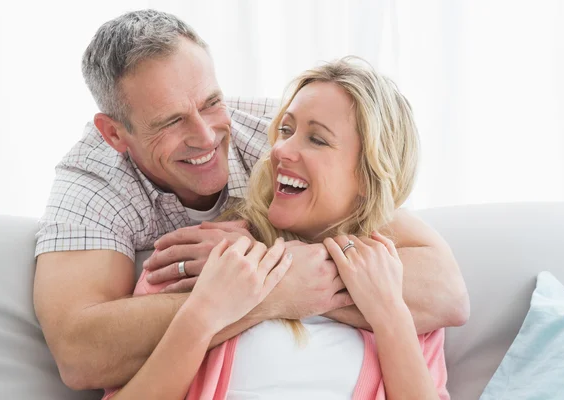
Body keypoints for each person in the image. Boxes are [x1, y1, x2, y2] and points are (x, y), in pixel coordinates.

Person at [33, 9, 468, 391]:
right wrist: (268, 293)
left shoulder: (277, 128)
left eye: (211, 102)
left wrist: (278, 264)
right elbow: (79, 354)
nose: (206, 136)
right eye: (171, 121)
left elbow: (447, 292)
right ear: (114, 134)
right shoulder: (93, 184)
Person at [104, 57, 449, 399]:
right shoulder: (207, 255)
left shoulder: (394, 286)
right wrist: (203, 315)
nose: (281, 149)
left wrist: (390, 317)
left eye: (317, 139)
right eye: (285, 130)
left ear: (368, 173)